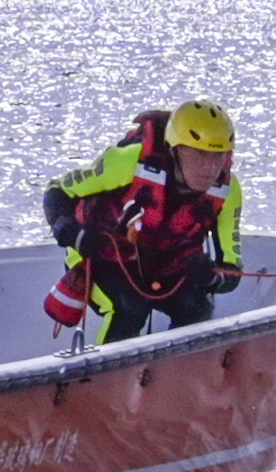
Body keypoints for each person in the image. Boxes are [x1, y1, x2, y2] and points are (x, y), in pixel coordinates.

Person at [42, 100, 243, 344]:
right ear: (175, 149)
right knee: (130, 308)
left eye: (219, 155)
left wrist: (211, 277)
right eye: (200, 154)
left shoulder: (227, 191)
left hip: (167, 267)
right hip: (103, 257)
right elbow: (57, 192)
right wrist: (73, 234)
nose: (210, 167)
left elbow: (231, 270)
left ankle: (178, 374)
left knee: (197, 308)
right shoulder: (129, 161)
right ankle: (103, 377)